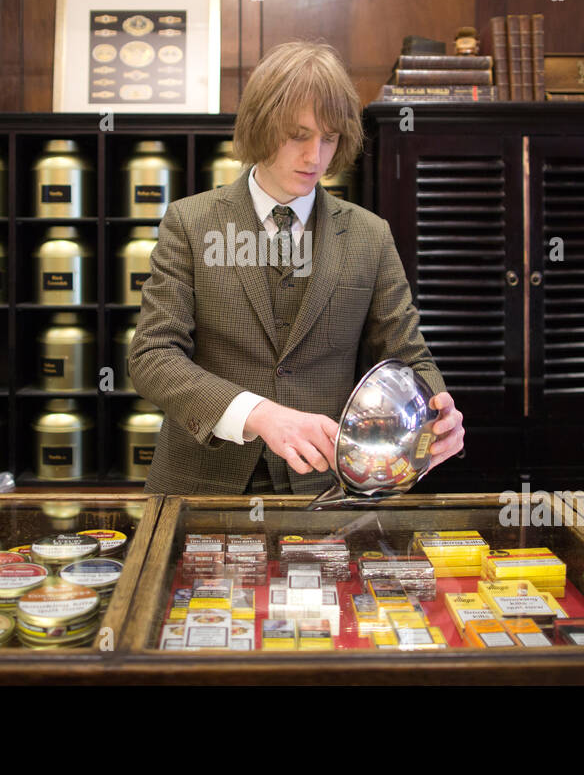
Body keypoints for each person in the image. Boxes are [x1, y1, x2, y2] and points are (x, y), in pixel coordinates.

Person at [128, 39, 465, 495]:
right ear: (260, 126)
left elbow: (408, 358)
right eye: (299, 135)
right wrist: (258, 414)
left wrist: (435, 412)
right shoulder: (190, 222)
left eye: (330, 138)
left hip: (326, 489)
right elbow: (152, 357)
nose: (316, 158)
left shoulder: (370, 235)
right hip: (201, 484)